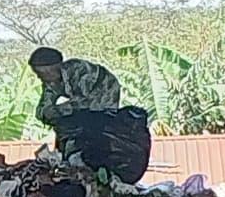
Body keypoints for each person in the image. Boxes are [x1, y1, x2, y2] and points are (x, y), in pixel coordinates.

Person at [29, 46, 153, 181]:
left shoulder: (78, 69)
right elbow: (42, 111)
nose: (39, 77)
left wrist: (59, 111)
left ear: (50, 68)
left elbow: (83, 103)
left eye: (40, 73)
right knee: (64, 126)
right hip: (84, 103)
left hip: (105, 92)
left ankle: (97, 164)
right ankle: (69, 160)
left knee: (91, 124)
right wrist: (53, 114)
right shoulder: (50, 82)